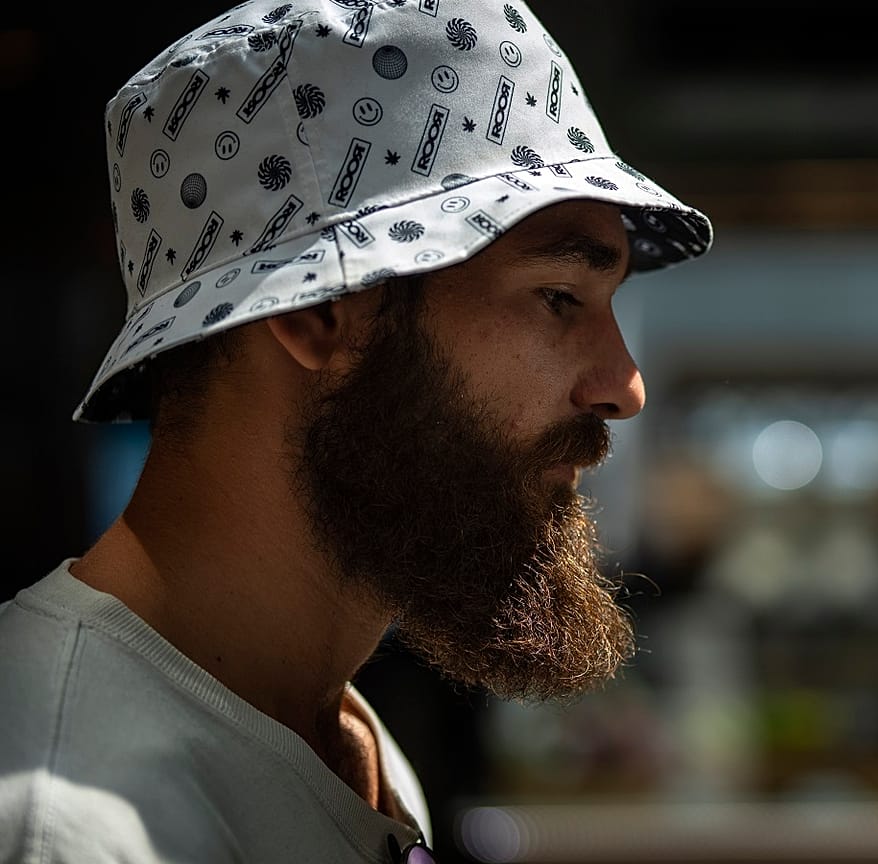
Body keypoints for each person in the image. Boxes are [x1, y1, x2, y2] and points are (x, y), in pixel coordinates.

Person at [0, 2, 712, 862]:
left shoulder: (338, 741)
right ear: (321, 312)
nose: (624, 387)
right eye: (559, 297)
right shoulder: (66, 826)